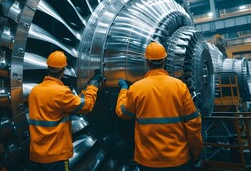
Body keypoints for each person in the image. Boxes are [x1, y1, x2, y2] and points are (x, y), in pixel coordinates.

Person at [115, 42, 203, 171]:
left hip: (148, 161)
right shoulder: (180, 87)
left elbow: (123, 113)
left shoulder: (137, 88)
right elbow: (193, 124)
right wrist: (196, 151)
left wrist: (124, 89)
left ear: (147, 62)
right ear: (164, 60)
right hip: (178, 160)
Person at [28, 51, 103, 171]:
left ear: (48, 68)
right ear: (63, 70)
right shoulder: (61, 93)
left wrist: (86, 88)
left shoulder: (35, 91)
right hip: (55, 156)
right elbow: (87, 106)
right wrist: (94, 86)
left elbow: (71, 104)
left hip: (37, 155)